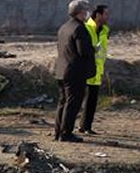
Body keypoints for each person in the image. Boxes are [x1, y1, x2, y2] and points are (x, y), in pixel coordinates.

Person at [53, 0, 96, 143]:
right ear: (80, 12)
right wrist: (93, 49)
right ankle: (66, 134)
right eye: (86, 10)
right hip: (74, 72)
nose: (87, 13)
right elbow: (83, 51)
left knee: (63, 102)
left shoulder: (64, 27)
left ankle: (58, 132)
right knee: (73, 103)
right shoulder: (79, 28)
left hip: (61, 70)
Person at [79, 5, 110, 135]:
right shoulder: (86, 28)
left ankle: (86, 127)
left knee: (92, 101)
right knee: (78, 100)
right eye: (105, 14)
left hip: (97, 70)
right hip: (85, 69)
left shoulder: (105, 30)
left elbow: (102, 51)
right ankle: (71, 127)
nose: (108, 17)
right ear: (97, 15)